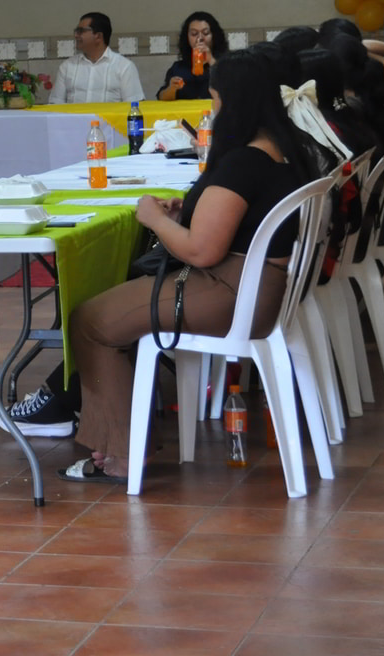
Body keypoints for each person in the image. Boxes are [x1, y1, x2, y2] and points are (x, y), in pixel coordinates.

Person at [59, 51, 318, 483]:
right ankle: (123, 434)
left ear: (233, 103)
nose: (212, 110)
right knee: (113, 310)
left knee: (91, 321)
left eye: (215, 100)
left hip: (229, 292)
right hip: (262, 289)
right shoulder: (286, 149)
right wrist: (187, 215)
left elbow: (201, 252)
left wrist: (154, 219)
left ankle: (123, 455)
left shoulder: (245, 162)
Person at [51, 12, 143, 104]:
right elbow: (55, 104)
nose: (76, 35)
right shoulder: (67, 66)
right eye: (76, 31)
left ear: (98, 36)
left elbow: (134, 106)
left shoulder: (124, 67)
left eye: (80, 31)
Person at [157, 12, 227, 101]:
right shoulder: (178, 68)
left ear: (214, 36)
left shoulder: (226, 64)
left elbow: (233, 91)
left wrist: (211, 60)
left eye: (205, 33)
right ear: (187, 38)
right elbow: (161, 97)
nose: (200, 38)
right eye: (194, 34)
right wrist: (172, 89)